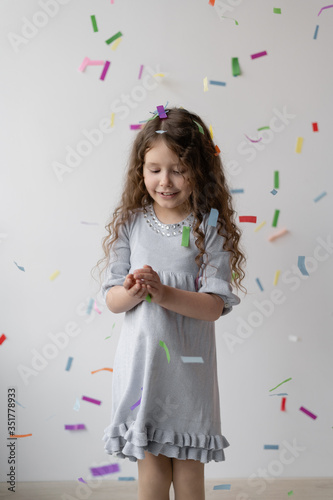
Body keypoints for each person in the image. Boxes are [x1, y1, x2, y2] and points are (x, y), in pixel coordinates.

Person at [95, 106, 246, 500]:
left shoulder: (208, 227)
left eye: (178, 169)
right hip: (144, 372)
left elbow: (214, 306)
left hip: (188, 373)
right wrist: (133, 290)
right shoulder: (131, 222)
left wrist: (164, 292)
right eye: (154, 169)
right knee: (151, 477)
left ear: (199, 169)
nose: (165, 180)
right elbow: (113, 300)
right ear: (140, 170)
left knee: (190, 478)